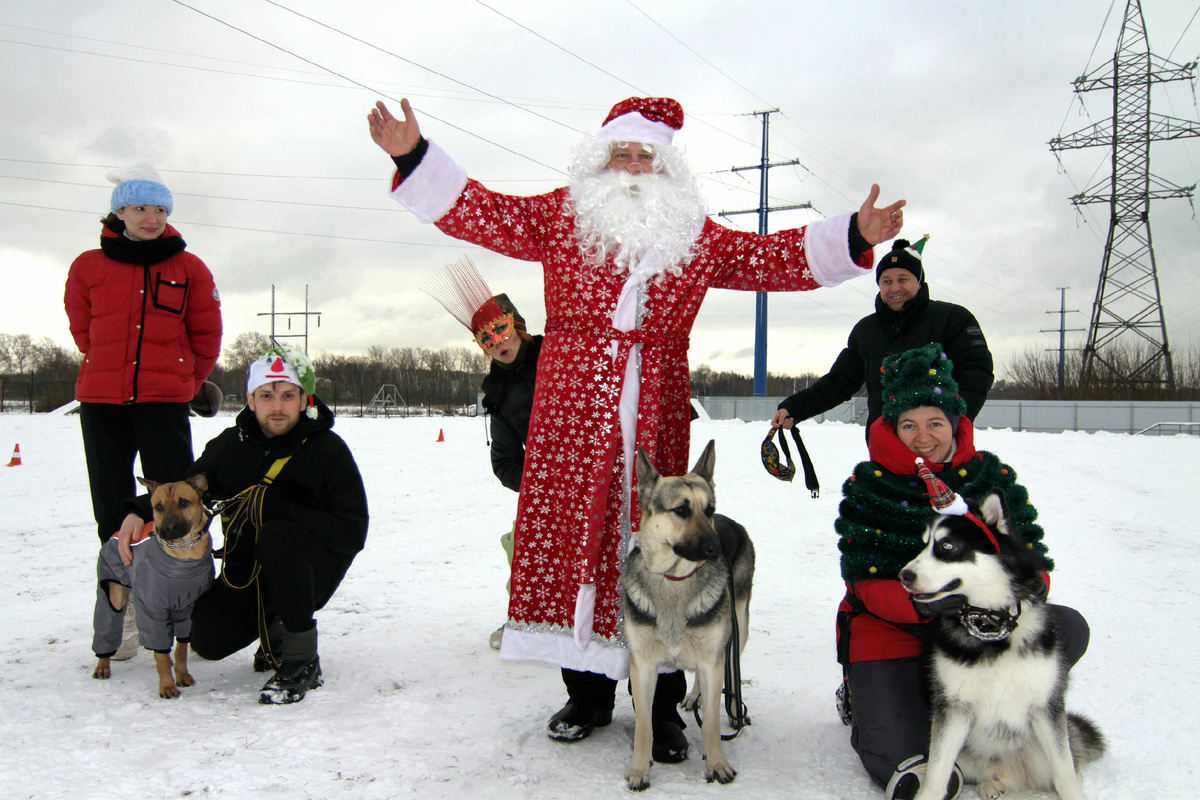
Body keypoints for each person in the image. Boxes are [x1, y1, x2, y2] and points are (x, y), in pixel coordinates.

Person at [368, 95, 905, 755]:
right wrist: (413, 156)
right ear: (597, 160)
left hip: (655, 408)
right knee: (576, 546)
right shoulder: (559, 218)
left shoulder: (695, 238)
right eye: (618, 152)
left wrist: (855, 234)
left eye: (643, 154)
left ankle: (662, 709)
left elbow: (771, 258)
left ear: (667, 166)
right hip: (571, 413)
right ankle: (586, 695)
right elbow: (485, 211)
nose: (630, 165)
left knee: (659, 554)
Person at [832, 343, 1088, 800]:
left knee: (1064, 625)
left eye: (935, 423)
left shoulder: (991, 477)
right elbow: (864, 582)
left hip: (983, 628)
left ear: (955, 424)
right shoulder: (869, 486)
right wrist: (931, 605)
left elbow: (1034, 564)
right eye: (908, 425)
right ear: (892, 427)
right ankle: (867, 699)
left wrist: (1005, 596)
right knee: (906, 758)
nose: (923, 436)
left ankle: (1004, 707)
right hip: (895, 632)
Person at [116, 346, 368, 705]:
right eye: (267, 396)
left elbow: (352, 533)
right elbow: (187, 486)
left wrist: (281, 507)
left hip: (310, 570)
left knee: (277, 534)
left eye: (287, 395)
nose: (277, 406)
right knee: (206, 638)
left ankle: (301, 661)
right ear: (251, 400)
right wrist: (137, 511)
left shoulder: (328, 450)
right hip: (247, 573)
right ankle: (273, 629)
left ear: (303, 399)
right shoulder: (231, 445)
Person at [65, 163, 223, 545]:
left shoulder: (189, 267)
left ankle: (172, 578)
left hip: (164, 402)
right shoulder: (88, 266)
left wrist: (187, 381)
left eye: (160, 210)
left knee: (173, 499)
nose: (151, 218)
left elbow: (207, 334)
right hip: (102, 402)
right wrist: (107, 365)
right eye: (140, 209)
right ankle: (120, 579)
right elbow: (83, 329)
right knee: (109, 498)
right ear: (119, 212)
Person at [422, 256, 541, 648]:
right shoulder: (498, 393)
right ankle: (529, 616)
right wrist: (540, 483)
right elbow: (505, 460)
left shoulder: (556, 356)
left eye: (501, 331)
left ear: (517, 325)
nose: (497, 343)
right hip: (547, 485)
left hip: (597, 469)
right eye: (486, 340)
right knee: (522, 543)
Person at [771, 237, 992, 436]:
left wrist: (953, 424)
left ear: (919, 282)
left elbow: (977, 373)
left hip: (940, 448)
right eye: (886, 281)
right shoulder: (866, 330)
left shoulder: (952, 318)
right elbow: (839, 383)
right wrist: (794, 407)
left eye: (903, 279)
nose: (895, 287)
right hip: (884, 450)